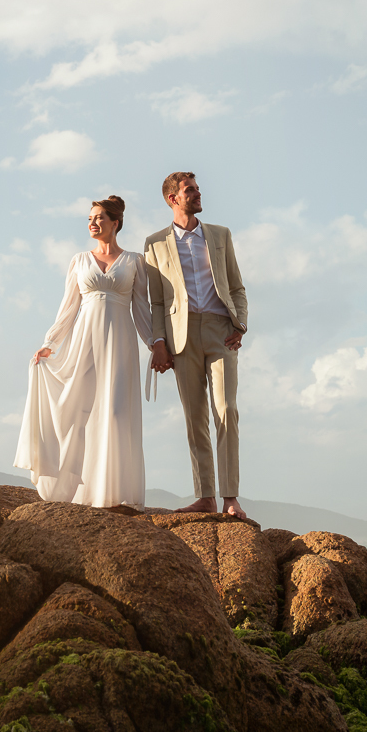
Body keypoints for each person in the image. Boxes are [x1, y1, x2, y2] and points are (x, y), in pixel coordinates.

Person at [14, 195, 153, 509]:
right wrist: (50, 343)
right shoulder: (79, 261)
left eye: (99, 218)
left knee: (116, 414)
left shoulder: (134, 261)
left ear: (115, 222)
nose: (92, 223)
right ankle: (76, 491)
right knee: (76, 410)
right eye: (90, 218)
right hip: (83, 343)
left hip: (120, 345)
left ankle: (115, 494)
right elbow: (68, 308)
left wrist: (155, 344)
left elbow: (142, 310)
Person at [144, 173, 248, 519]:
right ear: (173, 199)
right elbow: (157, 302)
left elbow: (237, 287)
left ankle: (230, 498)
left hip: (221, 332)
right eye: (191, 190)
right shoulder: (154, 243)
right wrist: (158, 342)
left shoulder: (220, 235)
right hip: (181, 336)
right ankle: (205, 495)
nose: (198, 194)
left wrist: (241, 324)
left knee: (226, 410)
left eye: (198, 189)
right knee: (194, 418)